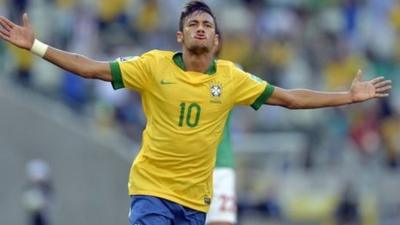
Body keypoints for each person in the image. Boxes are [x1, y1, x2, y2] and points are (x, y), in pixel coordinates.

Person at [0, 1, 392, 225]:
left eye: (207, 24)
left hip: (196, 201)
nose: (200, 28)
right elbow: (91, 67)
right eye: (193, 24)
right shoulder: (153, 66)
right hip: (152, 191)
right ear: (180, 36)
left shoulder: (232, 77)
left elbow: (289, 99)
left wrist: (347, 96)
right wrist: (37, 47)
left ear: (218, 40)